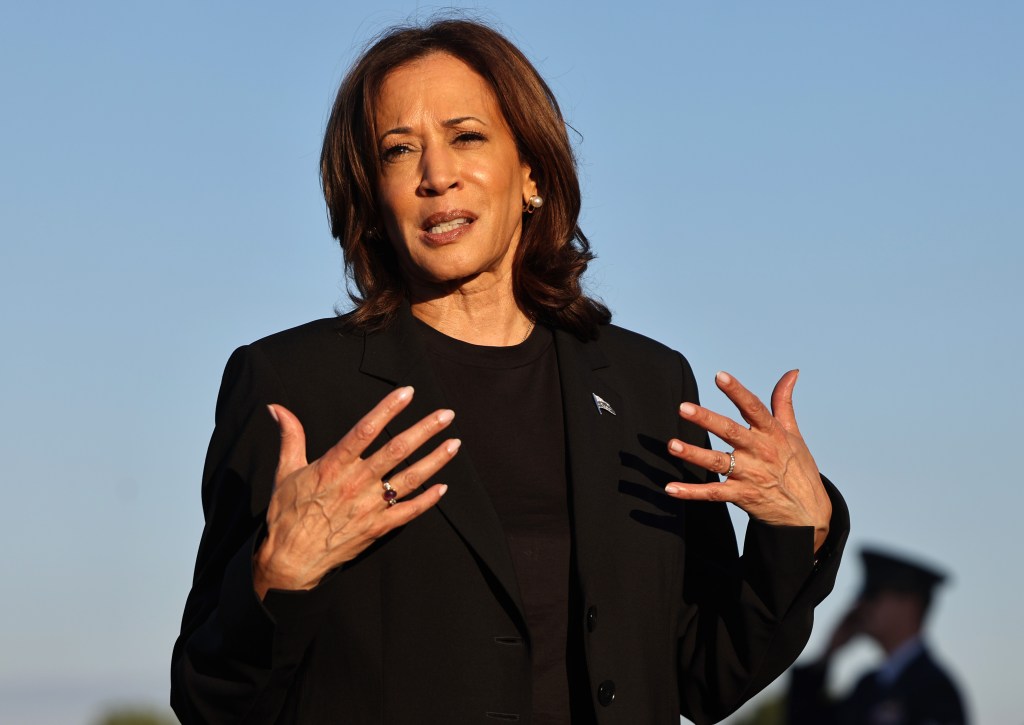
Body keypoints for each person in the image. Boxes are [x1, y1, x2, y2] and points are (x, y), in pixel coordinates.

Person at [171, 17, 850, 725]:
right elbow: (208, 697)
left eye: (467, 136)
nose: (438, 175)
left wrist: (798, 526)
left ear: (531, 170)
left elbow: (703, 674)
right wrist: (274, 578)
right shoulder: (292, 387)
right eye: (399, 151)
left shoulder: (646, 386)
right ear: (372, 197)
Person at [787, 547, 968, 725]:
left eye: (873, 595)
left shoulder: (936, 691)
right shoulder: (867, 686)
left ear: (910, 604)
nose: (860, 606)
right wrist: (828, 654)